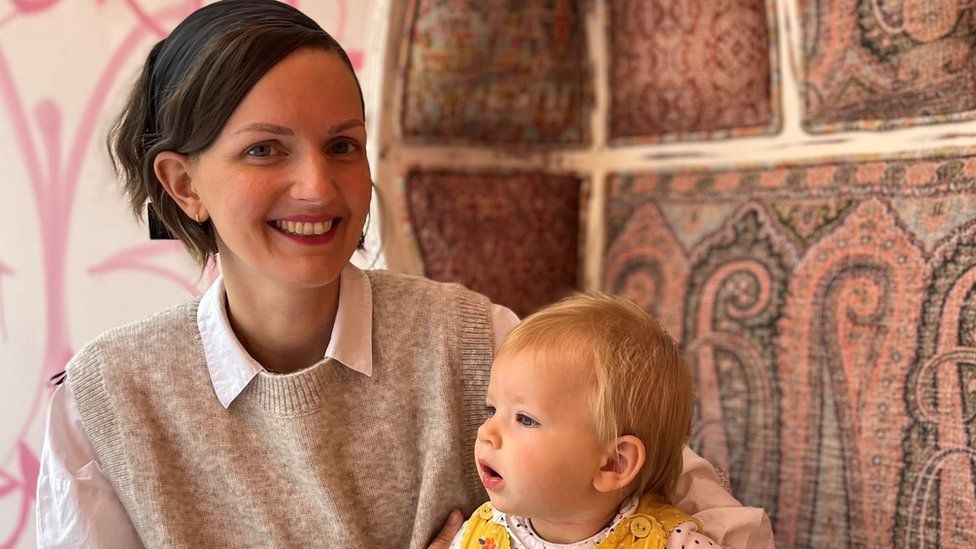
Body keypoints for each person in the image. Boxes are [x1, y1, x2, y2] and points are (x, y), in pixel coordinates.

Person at [34, 1, 773, 547]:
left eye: (343, 146)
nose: (320, 187)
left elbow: (717, 522)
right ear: (182, 184)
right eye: (265, 150)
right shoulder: (105, 403)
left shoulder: (477, 340)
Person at [451, 294, 760, 548]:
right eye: (492, 410)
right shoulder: (477, 535)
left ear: (613, 464)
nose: (486, 432)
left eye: (525, 419)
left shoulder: (668, 542)